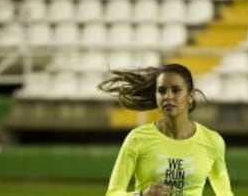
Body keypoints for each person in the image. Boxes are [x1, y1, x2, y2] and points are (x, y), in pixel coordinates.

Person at [99, 63, 234, 196]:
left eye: (176, 90)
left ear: (191, 96)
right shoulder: (137, 138)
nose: (168, 96)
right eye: (162, 91)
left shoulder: (212, 141)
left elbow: (225, 193)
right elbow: (113, 193)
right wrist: (142, 195)